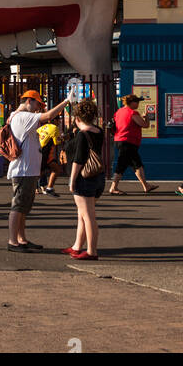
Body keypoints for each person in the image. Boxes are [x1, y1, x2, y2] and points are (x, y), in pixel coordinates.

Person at [6, 89, 70, 252]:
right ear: (29, 101)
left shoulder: (18, 115)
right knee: (18, 206)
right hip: (23, 170)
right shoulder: (22, 116)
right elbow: (48, 116)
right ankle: (13, 241)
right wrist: (66, 101)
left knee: (23, 208)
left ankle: (21, 239)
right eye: (37, 104)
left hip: (27, 169)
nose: (38, 108)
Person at [63, 97, 105, 260]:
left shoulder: (82, 134)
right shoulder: (98, 131)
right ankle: (77, 246)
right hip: (97, 176)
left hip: (84, 178)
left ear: (77, 118)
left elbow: (79, 160)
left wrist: (72, 180)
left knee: (88, 216)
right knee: (83, 213)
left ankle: (92, 251)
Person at [107, 95, 158, 195]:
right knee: (122, 165)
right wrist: (146, 118)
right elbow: (145, 125)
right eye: (137, 102)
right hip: (128, 142)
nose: (138, 104)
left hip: (119, 140)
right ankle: (113, 188)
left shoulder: (119, 112)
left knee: (137, 164)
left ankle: (146, 186)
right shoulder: (132, 113)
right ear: (131, 103)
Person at [37, 118, 62, 196]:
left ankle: (49, 188)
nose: (60, 121)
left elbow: (37, 133)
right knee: (41, 173)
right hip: (46, 153)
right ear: (55, 120)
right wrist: (65, 137)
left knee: (54, 169)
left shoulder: (44, 126)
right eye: (59, 120)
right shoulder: (54, 128)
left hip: (40, 151)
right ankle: (26, 188)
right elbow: (57, 142)